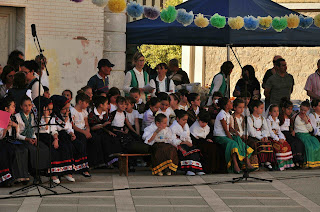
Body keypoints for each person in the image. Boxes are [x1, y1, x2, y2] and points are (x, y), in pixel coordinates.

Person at [35, 96, 74, 184]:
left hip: (51, 137)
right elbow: (45, 128)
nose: (50, 112)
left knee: (63, 147)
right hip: (41, 137)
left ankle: (65, 171)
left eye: (51, 109)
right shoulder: (37, 119)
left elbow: (54, 130)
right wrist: (45, 118)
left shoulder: (52, 118)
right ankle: (53, 174)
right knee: (52, 150)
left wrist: (55, 139)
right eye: (48, 109)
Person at [214, 97, 255, 173]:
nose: (231, 103)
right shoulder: (221, 115)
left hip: (226, 135)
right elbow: (226, 130)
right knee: (233, 143)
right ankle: (236, 165)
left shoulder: (228, 114)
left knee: (238, 139)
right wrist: (231, 138)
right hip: (220, 136)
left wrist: (236, 133)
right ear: (226, 106)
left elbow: (230, 127)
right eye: (230, 102)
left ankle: (247, 162)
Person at [16, 95, 50, 181]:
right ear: (21, 106)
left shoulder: (31, 116)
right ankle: (35, 174)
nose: (28, 107)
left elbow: (32, 130)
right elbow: (16, 134)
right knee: (33, 150)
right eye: (25, 105)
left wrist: (35, 138)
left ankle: (42, 171)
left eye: (29, 105)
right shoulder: (17, 117)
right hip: (22, 139)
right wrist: (27, 139)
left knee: (44, 148)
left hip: (30, 138)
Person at [0, 97, 29, 185]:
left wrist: (15, 126)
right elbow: (1, 136)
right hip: (3, 141)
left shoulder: (13, 117)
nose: (14, 108)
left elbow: (16, 135)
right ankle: (11, 177)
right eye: (12, 106)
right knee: (13, 151)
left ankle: (22, 176)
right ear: (6, 108)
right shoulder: (2, 116)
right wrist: (6, 127)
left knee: (23, 149)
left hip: (12, 140)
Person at [50, 95, 79, 182]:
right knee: (63, 148)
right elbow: (58, 127)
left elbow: (68, 126)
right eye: (64, 108)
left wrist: (71, 133)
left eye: (68, 108)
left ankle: (67, 171)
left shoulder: (66, 114)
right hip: (56, 135)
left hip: (64, 134)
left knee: (72, 146)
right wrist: (65, 118)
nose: (67, 111)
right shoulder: (54, 116)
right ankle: (56, 173)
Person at [88, 96, 120, 168]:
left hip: (103, 131)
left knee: (113, 138)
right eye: (106, 104)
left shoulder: (105, 113)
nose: (108, 106)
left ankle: (112, 160)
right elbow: (92, 127)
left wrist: (108, 131)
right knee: (100, 140)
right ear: (101, 105)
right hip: (95, 132)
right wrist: (102, 125)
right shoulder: (92, 114)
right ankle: (100, 162)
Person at [170, 110, 205, 176]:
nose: (185, 121)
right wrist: (184, 142)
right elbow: (173, 140)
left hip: (186, 143)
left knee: (195, 150)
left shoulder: (186, 126)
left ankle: (197, 169)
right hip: (178, 145)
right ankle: (189, 169)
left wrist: (189, 142)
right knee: (187, 152)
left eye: (186, 120)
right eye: (183, 120)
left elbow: (188, 136)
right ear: (177, 119)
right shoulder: (173, 127)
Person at [247, 99, 276, 170]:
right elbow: (251, 131)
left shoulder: (262, 118)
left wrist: (265, 136)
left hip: (261, 136)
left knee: (269, 143)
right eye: (261, 108)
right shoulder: (249, 118)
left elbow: (265, 129)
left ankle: (267, 162)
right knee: (257, 144)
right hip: (253, 136)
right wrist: (260, 138)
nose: (262, 110)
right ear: (255, 108)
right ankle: (259, 161)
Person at [231, 98, 259, 169]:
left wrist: (245, 135)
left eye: (243, 107)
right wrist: (240, 135)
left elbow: (245, 128)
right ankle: (246, 164)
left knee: (252, 142)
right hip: (237, 137)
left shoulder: (243, 117)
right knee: (242, 144)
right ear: (234, 108)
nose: (241, 109)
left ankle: (253, 163)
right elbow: (232, 129)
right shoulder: (232, 117)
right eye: (239, 107)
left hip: (243, 136)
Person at [266, 104, 294, 171]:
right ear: (270, 112)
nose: (276, 113)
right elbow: (270, 132)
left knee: (286, 144)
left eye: (277, 111)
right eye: (274, 111)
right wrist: (278, 139)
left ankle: (286, 164)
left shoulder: (277, 120)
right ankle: (278, 165)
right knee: (279, 147)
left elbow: (279, 131)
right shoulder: (268, 120)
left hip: (277, 136)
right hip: (271, 137)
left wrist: (282, 138)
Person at [70, 93, 91, 178]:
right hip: (76, 131)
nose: (87, 105)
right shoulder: (72, 111)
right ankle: (82, 167)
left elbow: (86, 123)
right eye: (86, 103)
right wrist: (84, 132)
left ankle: (88, 164)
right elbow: (72, 125)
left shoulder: (84, 112)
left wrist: (88, 131)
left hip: (83, 131)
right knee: (81, 142)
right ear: (80, 102)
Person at [279, 97, 305, 167]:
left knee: (299, 142)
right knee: (292, 143)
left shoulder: (290, 118)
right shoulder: (280, 118)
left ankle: (299, 159)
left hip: (288, 133)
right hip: (282, 134)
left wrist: (292, 131)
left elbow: (290, 127)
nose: (290, 111)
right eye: (288, 109)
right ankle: (294, 160)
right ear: (283, 109)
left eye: (291, 109)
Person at [294, 100, 320, 168]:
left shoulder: (307, 117)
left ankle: (315, 162)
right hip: (300, 134)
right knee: (309, 146)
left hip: (307, 135)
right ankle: (308, 163)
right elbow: (291, 124)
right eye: (301, 109)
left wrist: (306, 121)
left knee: (316, 144)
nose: (303, 112)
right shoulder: (296, 116)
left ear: (308, 110)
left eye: (305, 110)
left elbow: (311, 129)